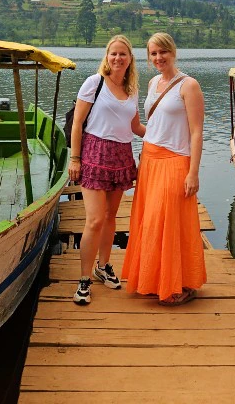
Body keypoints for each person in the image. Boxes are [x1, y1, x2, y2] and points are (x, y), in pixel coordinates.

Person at [122, 32, 206, 306]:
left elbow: (196, 132)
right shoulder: (152, 83)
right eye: (153, 53)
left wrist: (193, 172)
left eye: (163, 52)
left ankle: (181, 283)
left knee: (171, 222)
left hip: (175, 162)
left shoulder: (189, 85)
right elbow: (153, 127)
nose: (158, 58)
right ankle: (154, 280)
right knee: (151, 222)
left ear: (173, 53)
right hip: (149, 160)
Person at [70, 35, 145, 305]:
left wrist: (166, 134)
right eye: (113, 53)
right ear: (107, 56)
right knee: (95, 220)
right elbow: (77, 123)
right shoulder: (94, 82)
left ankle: (103, 266)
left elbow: (136, 128)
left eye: (122, 54)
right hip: (94, 153)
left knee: (111, 216)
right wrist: (75, 158)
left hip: (122, 156)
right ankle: (83, 279)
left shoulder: (132, 89)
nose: (117, 58)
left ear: (130, 59)